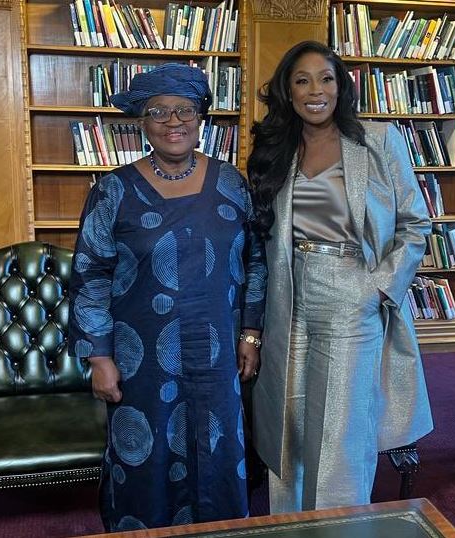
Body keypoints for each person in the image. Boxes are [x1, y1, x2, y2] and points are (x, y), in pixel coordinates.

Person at [68, 63, 266, 532]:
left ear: (201, 118)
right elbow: (90, 276)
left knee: (218, 452)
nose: (173, 122)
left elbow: (256, 261)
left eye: (185, 110)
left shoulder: (232, 183)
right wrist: (99, 357)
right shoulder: (112, 190)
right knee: (145, 458)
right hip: (141, 360)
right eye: (159, 112)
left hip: (218, 357)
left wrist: (251, 334)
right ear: (142, 122)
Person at [247, 40, 433, 513]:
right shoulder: (276, 148)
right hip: (288, 293)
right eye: (302, 80)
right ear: (288, 92)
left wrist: (380, 287)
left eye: (326, 79)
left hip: (353, 288)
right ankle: (289, 525)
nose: (316, 90)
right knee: (289, 423)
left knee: (340, 428)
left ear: (340, 86)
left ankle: (338, 525)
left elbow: (415, 224)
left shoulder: (379, 140)